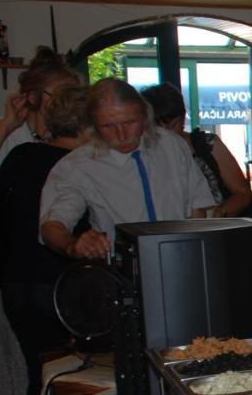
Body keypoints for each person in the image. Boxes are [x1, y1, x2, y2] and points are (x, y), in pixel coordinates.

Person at [40, 78, 216, 259]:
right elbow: (52, 225)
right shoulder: (78, 165)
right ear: (92, 125)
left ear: (145, 116)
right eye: (108, 126)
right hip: (122, 268)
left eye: (130, 122)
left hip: (181, 258)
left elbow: (197, 208)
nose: (121, 135)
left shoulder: (171, 144)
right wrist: (73, 245)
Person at [0, 84, 87, 395]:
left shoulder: (21, 157)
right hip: (61, 286)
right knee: (67, 380)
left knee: (40, 375)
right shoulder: (81, 165)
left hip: (16, 284)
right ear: (87, 124)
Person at [140, 82, 252, 218]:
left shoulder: (207, 144)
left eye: (172, 126)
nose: (166, 135)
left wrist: (219, 214)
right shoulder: (145, 154)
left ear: (183, 119)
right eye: (158, 129)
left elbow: (242, 193)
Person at [0, 47, 78, 170]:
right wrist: (5, 126)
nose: (66, 103)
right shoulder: (2, 129)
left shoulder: (70, 137)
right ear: (33, 97)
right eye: (57, 95)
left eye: (70, 96)